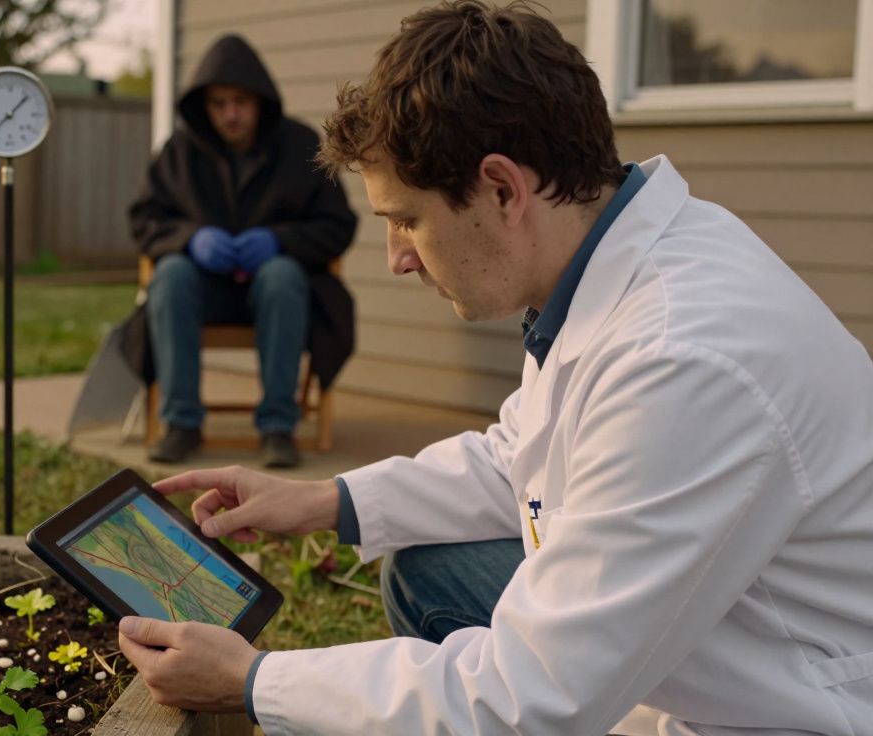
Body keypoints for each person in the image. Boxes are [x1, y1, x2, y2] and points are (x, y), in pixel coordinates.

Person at [115, 2, 873, 734]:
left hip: (791, 703)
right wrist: (326, 501)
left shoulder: (681, 359)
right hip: (713, 634)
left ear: (502, 188)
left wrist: (254, 682)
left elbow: (527, 699)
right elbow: (518, 456)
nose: (399, 257)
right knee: (428, 567)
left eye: (407, 219)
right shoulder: (617, 260)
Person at [122, 34, 358, 469]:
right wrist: (191, 239)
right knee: (170, 275)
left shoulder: (302, 146)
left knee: (282, 275)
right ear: (204, 106)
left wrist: (279, 242)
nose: (230, 114)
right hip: (201, 290)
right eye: (218, 103)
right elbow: (144, 220)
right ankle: (181, 424)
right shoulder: (178, 152)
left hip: (280, 294)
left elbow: (338, 225)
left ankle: (277, 428)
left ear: (260, 101)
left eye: (240, 102)